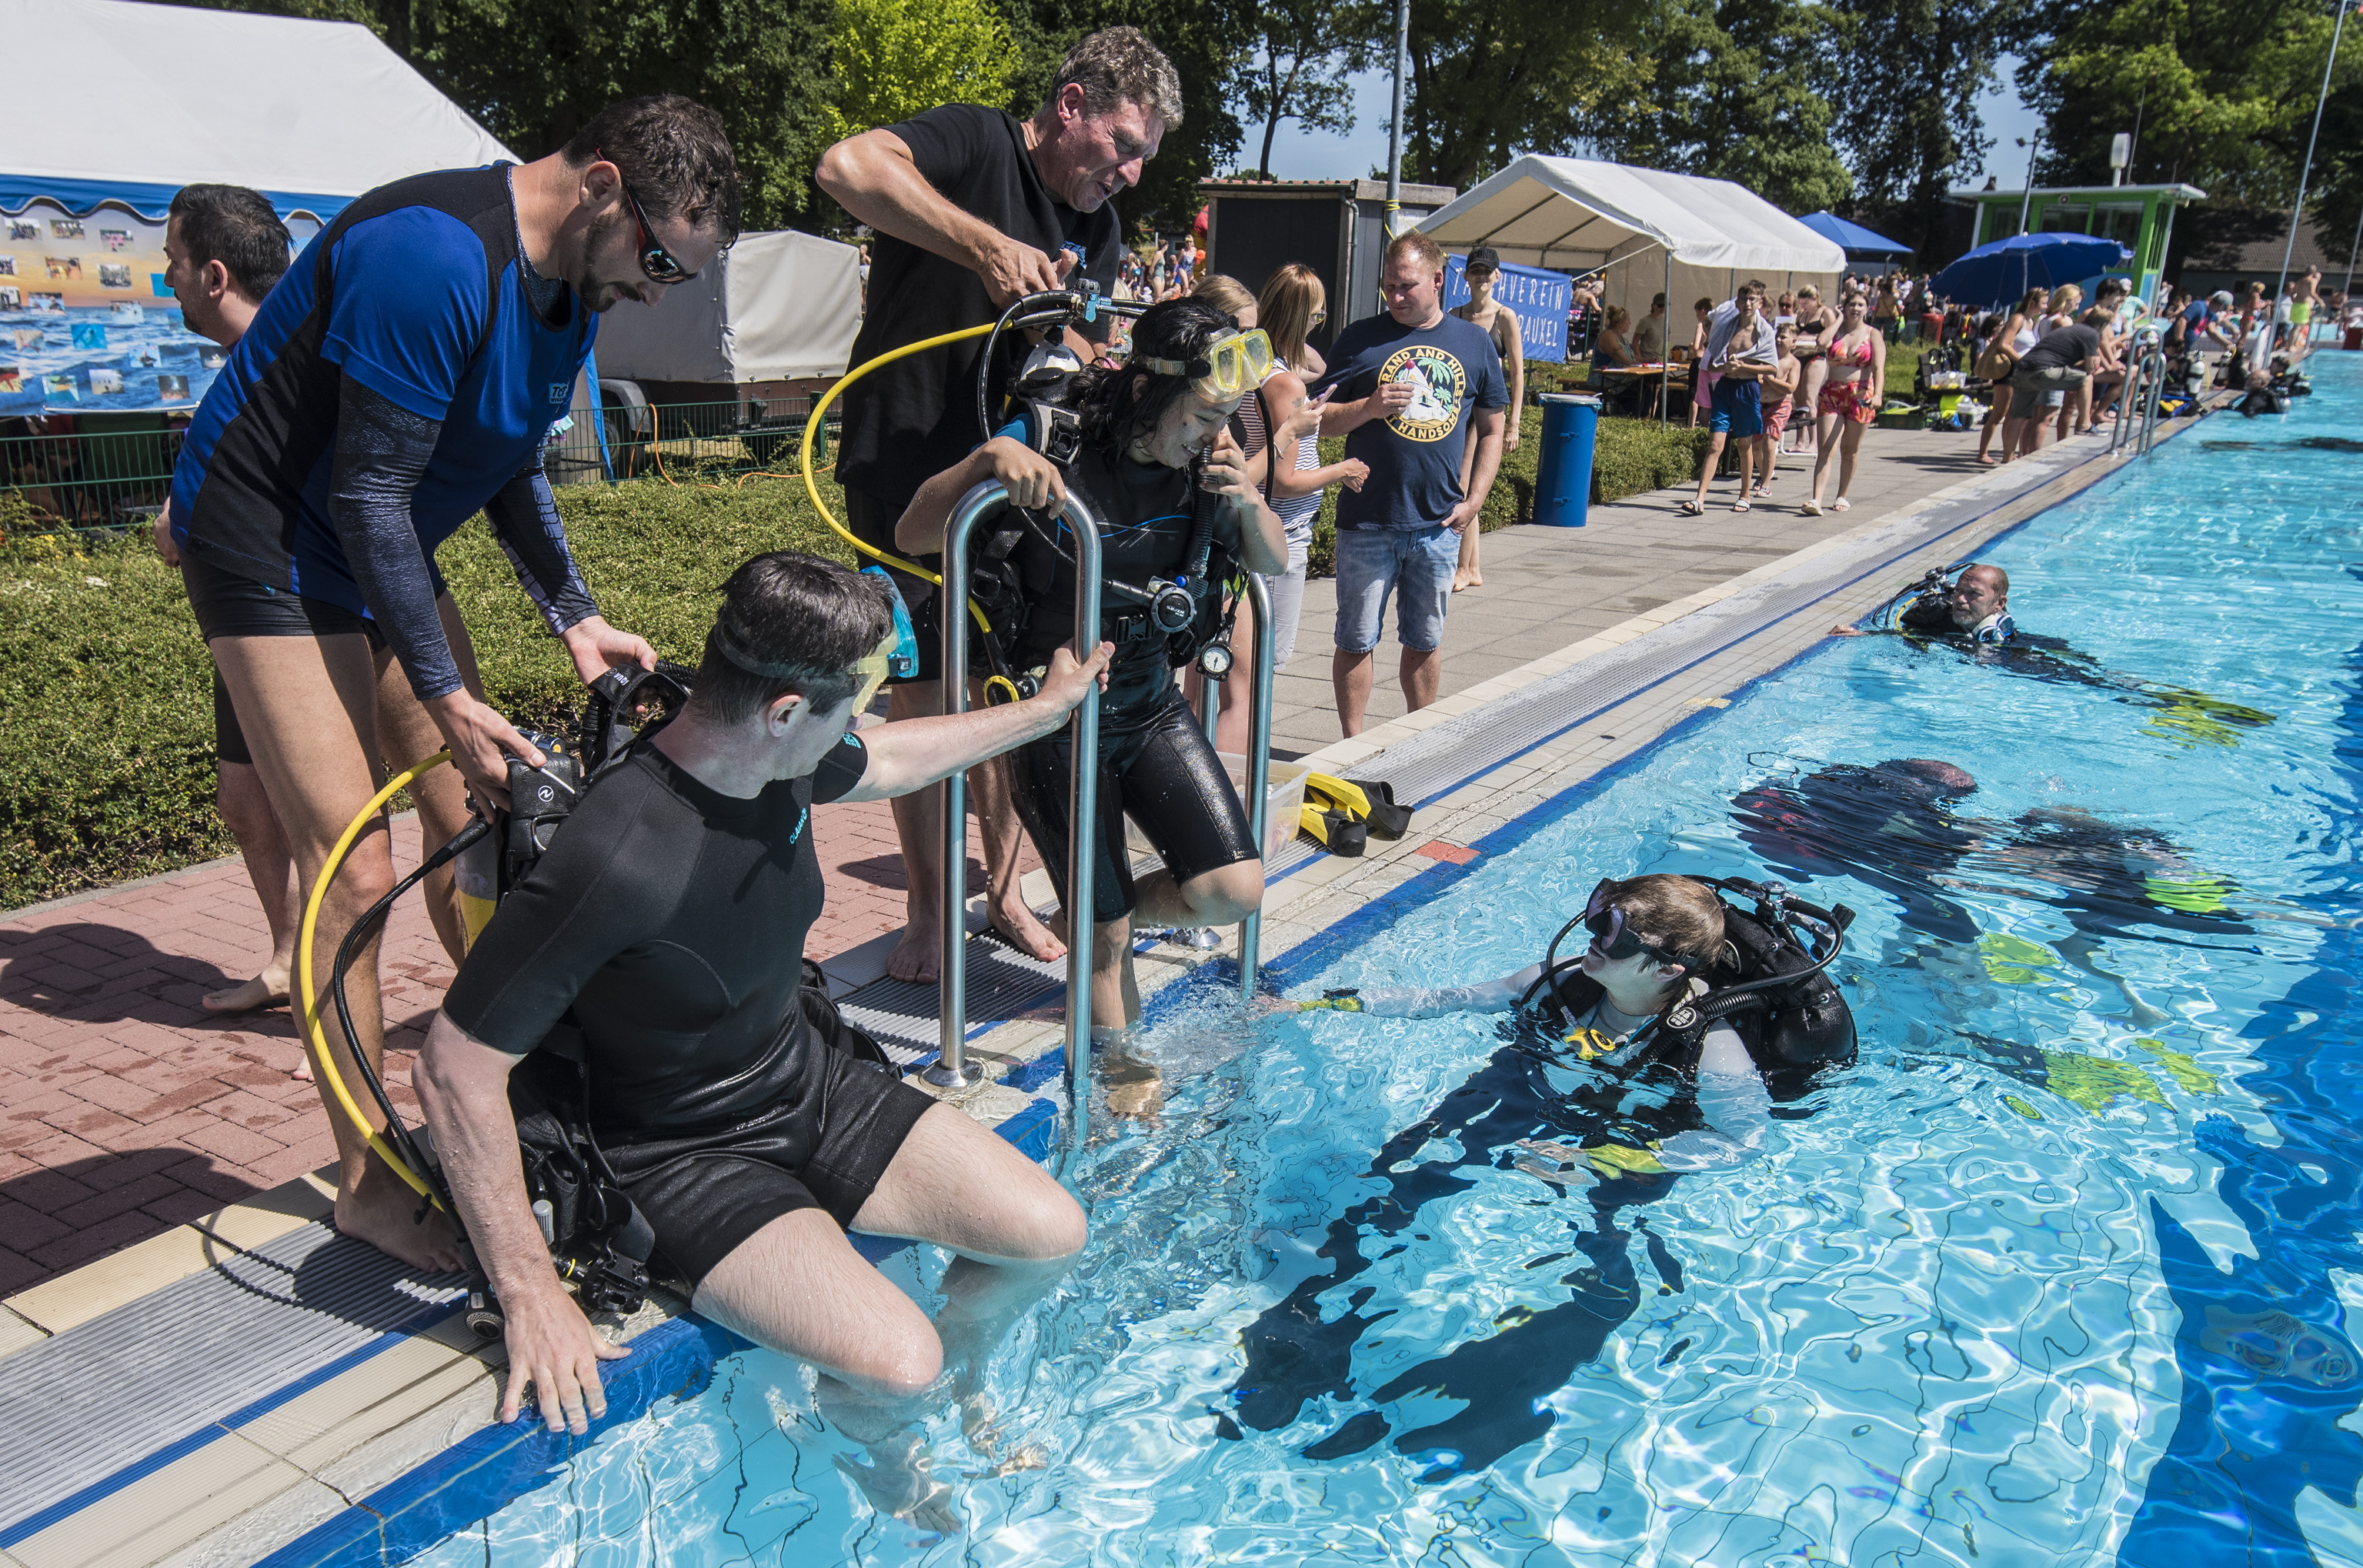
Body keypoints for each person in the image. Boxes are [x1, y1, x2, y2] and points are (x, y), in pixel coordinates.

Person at [165, 95, 736, 1270]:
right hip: (267, 538)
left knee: (487, 813)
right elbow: (365, 497)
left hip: (371, 535)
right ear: (606, 191)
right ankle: (369, 1184)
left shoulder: (571, 289)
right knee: (355, 863)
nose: (661, 292)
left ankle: (506, 1095)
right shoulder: (432, 256)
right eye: (664, 261)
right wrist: (441, 689)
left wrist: (573, 614)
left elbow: (506, 462)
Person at [415, 552, 1108, 1456]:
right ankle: (881, 1436)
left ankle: (955, 1381)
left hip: (806, 1082)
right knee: (901, 1360)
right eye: (847, 706)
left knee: (1050, 1233)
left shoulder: (775, 758)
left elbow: (892, 757)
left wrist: (1043, 713)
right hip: (677, 1152)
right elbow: (453, 1067)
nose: (857, 724)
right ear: (784, 709)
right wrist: (530, 1290)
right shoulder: (617, 854)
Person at [1222, 873, 1849, 1476]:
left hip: (1636, 1135)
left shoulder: (1711, 1050)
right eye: (1598, 920)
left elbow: (1739, 1142)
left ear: (1667, 971)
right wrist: (1317, 1001)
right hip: (1530, 1091)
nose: (1593, 940)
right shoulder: (1562, 984)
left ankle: (1508, 1375)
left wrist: (1603, 1160)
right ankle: (1308, 1312)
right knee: (1403, 1176)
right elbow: (1451, 1001)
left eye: (1614, 936)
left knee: (1601, 1252)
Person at [816, 26, 1182, 983]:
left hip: (1018, 480)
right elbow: (846, 166)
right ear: (1070, 107)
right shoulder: (976, 142)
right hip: (902, 462)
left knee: (1010, 691)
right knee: (925, 689)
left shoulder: (1096, 228)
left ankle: (1004, 893)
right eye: (1123, 146)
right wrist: (984, 245)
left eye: (1143, 157)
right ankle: (930, 912)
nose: (1132, 175)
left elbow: (1071, 352)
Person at [897, 298, 1289, 1029]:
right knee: (1104, 946)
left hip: (1150, 705)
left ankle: (1103, 917)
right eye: (1200, 417)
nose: (1211, 436)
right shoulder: (1054, 439)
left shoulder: (1211, 460)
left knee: (1233, 891)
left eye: (1220, 420)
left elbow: (1272, 558)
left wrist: (1246, 502)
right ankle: (1121, 1092)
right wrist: (986, 460)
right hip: (1053, 719)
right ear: (1146, 391)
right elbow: (914, 530)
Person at [151, 184, 479, 1028]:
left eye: (173, 266)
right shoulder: (271, 362)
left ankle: (459, 1017)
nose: (169, 283)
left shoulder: (299, 353)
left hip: (333, 594)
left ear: (214, 274)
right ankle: (307, 973)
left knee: (418, 829)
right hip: (281, 597)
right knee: (275, 807)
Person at [1314, 232, 1507, 739]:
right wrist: (1368, 408)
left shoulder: (1474, 343)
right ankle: (1351, 746)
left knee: (1424, 641)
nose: (1395, 297)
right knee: (1356, 640)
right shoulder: (1360, 339)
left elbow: (1492, 428)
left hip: (1438, 524)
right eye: (1388, 287)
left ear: (1438, 280)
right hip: (1367, 520)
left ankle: (1416, 741)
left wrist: (1476, 500)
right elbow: (1314, 421)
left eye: (1407, 286)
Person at [1183, 273, 1325, 756]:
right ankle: (1225, 810)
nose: (1251, 351)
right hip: (1215, 559)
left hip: (1202, 556)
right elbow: (1229, 482)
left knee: (1201, 686)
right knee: (1236, 694)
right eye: (1242, 336)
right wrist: (1288, 434)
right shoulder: (1208, 399)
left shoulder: (1207, 388)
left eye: (1256, 336)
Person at [1257, 263, 1365, 676]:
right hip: (1280, 534)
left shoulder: (1258, 364)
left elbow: (1318, 367)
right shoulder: (1287, 385)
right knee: (1268, 660)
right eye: (1317, 316)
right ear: (1301, 317)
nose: (1319, 325)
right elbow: (1283, 481)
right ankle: (1249, 741)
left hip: (1264, 528)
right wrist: (1342, 470)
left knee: (1246, 659)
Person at [1449, 246, 1524, 592]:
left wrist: (1514, 424)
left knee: (1466, 488)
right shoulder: (1454, 315)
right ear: (1465, 276)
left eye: (1487, 271)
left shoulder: (1505, 317)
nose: (1481, 276)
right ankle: (1475, 567)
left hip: (1487, 414)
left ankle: (1463, 569)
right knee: (1463, 485)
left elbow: (1518, 374)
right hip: (1458, 411)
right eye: (1475, 270)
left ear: (1497, 277)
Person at [1684, 281, 1775, 515]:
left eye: (1753, 299)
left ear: (1760, 302)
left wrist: (1744, 366)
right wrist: (1725, 366)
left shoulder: (1763, 331)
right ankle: (1699, 499)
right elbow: (1714, 359)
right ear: (1737, 302)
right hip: (1725, 386)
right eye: (1743, 299)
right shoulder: (1727, 326)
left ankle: (1744, 495)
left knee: (1744, 444)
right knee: (1715, 444)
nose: (1747, 304)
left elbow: (1771, 368)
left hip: (1748, 389)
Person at [1803, 292, 1882, 515]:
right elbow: (1821, 342)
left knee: (1850, 449)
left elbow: (1879, 368)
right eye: (1852, 305)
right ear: (1844, 307)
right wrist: (1837, 318)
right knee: (1826, 447)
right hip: (1832, 392)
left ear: (1867, 309)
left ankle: (1842, 495)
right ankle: (1816, 499)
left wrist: (1878, 395)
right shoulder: (1835, 332)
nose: (1855, 308)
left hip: (1861, 393)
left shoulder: (1873, 334)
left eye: (1860, 305)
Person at [2000, 300, 2098, 462]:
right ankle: (2085, 424)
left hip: (2023, 369)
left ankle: (2007, 459)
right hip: (2043, 371)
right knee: (2086, 380)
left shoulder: (2054, 324)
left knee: (2018, 417)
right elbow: (2089, 368)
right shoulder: (2088, 333)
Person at [1789, 284, 1837, 455]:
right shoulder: (1801, 314)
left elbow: (1832, 336)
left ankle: (1814, 442)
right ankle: (1800, 441)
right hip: (1799, 355)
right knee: (1799, 400)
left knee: (1810, 399)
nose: (1803, 307)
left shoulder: (1825, 313)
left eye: (1806, 303)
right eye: (1801, 304)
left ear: (1815, 299)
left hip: (1816, 356)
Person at [1755, 321, 1800, 496]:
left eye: (1784, 337)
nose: (1779, 340)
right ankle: (1765, 473)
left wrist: (1770, 380)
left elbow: (1790, 388)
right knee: (1755, 445)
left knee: (1769, 443)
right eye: (1777, 337)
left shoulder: (1793, 363)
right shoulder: (1767, 358)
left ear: (1793, 343)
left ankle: (1766, 485)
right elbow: (1757, 380)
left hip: (1780, 406)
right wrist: (1775, 384)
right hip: (1760, 404)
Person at [1630, 292, 1668, 364]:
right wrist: (1640, 358)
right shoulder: (1645, 321)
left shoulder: (1666, 321)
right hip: (1647, 358)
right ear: (1653, 305)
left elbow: (1667, 342)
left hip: (1660, 360)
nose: (1663, 308)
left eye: (1665, 306)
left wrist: (1667, 356)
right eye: (1660, 305)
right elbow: (1635, 341)